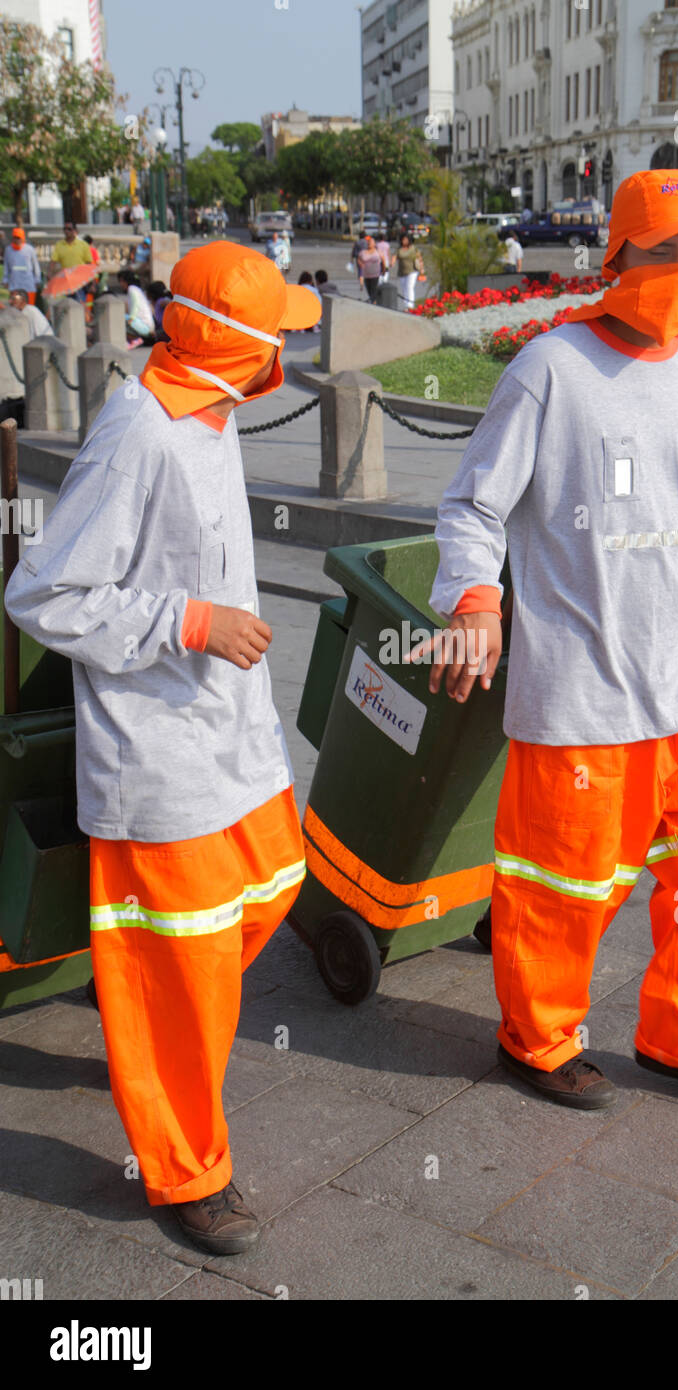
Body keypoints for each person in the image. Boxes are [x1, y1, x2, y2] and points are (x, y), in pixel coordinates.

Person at [418, 168, 678, 1117]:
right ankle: (536, 1042)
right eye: (673, 250)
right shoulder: (550, 369)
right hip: (582, 689)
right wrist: (473, 603)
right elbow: (473, 503)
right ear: (620, 255)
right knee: (562, 888)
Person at [4, 240, 322, 1256]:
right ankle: (186, 1171)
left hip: (233, 741)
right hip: (158, 753)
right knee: (184, 971)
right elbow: (42, 592)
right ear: (233, 340)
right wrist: (188, 623)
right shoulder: (137, 431)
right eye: (276, 328)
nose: (288, 344)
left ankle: (135, 1003)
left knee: (273, 887)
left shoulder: (210, 413)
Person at [50, 220, 93, 301]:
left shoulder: (83, 245)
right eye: (65, 229)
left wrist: (92, 282)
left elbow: (89, 264)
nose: (66, 231)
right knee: (67, 304)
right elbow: (53, 261)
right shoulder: (59, 245)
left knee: (79, 304)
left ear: (75, 231)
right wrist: (50, 273)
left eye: (69, 229)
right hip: (65, 281)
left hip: (79, 281)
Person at [117, 268, 155, 347]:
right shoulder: (135, 290)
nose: (121, 284)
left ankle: (135, 339)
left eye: (122, 281)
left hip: (144, 326)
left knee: (120, 318)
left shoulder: (132, 289)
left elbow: (135, 304)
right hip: (143, 325)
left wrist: (131, 318)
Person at [2, 226, 42, 304]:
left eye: (18, 238)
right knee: (15, 308)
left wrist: (37, 280)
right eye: (15, 238)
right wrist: (5, 280)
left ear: (23, 238)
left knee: (29, 308)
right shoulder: (8, 250)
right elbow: (6, 266)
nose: (17, 240)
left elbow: (35, 266)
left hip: (29, 284)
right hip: (15, 284)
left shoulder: (29, 249)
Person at [393, 232, 420, 310]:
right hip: (402, 271)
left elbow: (419, 257)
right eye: (402, 239)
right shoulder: (399, 249)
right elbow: (395, 257)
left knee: (410, 287)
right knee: (404, 288)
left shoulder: (413, 248)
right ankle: (406, 305)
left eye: (405, 239)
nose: (404, 241)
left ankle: (410, 305)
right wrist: (391, 263)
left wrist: (421, 270)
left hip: (412, 270)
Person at [357, 235, 383, 304]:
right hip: (366, 275)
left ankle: (374, 303)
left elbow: (383, 260)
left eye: (371, 242)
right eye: (368, 242)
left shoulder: (377, 252)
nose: (369, 243)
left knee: (373, 290)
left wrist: (383, 270)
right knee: (369, 290)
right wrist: (361, 264)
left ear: (374, 244)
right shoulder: (363, 252)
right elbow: (358, 258)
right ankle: (373, 302)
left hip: (375, 274)